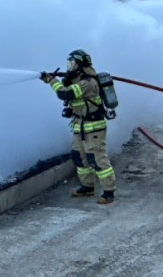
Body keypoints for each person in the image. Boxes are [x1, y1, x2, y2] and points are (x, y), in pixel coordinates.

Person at [40, 49, 116, 204]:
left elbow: (64, 94)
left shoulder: (88, 82)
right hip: (79, 125)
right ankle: (87, 187)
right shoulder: (78, 80)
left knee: (97, 159)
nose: (70, 67)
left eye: (72, 63)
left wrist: (52, 80)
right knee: (79, 157)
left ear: (80, 64)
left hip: (93, 127)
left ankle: (109, 191)